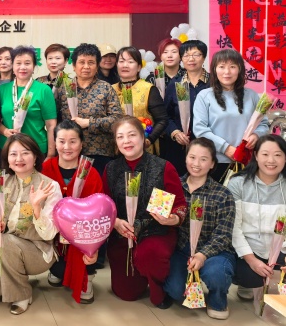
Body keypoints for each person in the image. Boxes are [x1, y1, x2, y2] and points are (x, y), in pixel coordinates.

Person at [104, 116, 187, 308]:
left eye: (132, 135)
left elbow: (180, 206)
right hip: (124, 232)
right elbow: (105, 205)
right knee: (126, 293)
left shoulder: (163, 167)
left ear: (143, 137)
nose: (126, 141)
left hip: (155, 230)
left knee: (150, 256)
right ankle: (143, 272)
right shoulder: (111, 169)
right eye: (120, 137)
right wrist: (115, 222)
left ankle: (159, 287)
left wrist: (173, 219)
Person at [0, 133, 61, 315]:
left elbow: (50, 233)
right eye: (13, 154)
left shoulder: (50, 186)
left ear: (36, 156)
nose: (19, 159)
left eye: (25, 153)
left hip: (37, 251)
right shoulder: (0, 182)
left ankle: (22, 294)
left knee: (7, 242)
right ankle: (17, 277)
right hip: (4, 247)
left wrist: (37, 208)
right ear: (7, 158)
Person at [163, 138, 236, 320]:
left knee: (216, 273)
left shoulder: (223, 194)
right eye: (192, 157)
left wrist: (203, 255)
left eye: (203, 159)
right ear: (185, 158)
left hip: (214, 251)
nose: (196, 164)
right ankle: (190, 288)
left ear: (212, 164)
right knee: (175, 289)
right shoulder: (173, 187)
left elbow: (223, 234)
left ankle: (217, 298)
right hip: (182, 249)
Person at [42, 120, 103, 304]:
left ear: (81, 144)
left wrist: (93, 247)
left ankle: (86, 279)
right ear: (54, 143)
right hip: (53, 235)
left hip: (81, 238)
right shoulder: (46, 169)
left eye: (73, 141)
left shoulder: (91, 173)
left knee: (86, 256)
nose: (67, 147)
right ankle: (58, 269)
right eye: (61, 141)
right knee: (58, 269)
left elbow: (100, 214)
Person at [227, 134, 286, 308]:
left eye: (278, 155)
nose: (271, 160)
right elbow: (234, 228)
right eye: (265, 154)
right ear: (256, 156)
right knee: (250, 277)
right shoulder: (238, 183)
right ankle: (247, 283)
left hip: (281, 249)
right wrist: (252, 260)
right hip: (249, 249)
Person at [193, 49, 269, 183]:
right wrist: (226, 148)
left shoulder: (251, 95)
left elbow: (263, 123)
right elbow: (200, 129)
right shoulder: (204, 96)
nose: (227, 72)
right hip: (215, 161)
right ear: (214, 69)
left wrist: (256, 135)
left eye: (232, 67)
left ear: (239, 70)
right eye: (222, 67)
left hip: (247, 161)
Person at [55, 43, 122, 176]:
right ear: (74, 66)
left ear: (97, 66)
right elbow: (54, 119)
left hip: (100, 153)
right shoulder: (63, 89)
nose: (86, 66)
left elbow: (117, 120)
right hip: (68, 153)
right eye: (82, 62)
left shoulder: (106, 88)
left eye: (91, 62)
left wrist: (89, 123)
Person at [0, 45, 57, 158]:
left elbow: (51, 125)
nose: (23, 67)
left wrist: (50, 154)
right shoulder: (3, 90)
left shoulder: (43, 90)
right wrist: (4, 131)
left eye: (27, 63)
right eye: (18, 63)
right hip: (8, 148)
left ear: (34, 67)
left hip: (36, 148)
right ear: (12, 66)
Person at [163, 40, 210, 175]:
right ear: (181, 59)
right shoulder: (176, 84)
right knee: (177, 182)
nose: (191, 59)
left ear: (204, 57)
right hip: (179, 147)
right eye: (186, 55)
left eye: (196, 54)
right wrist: (175, 132)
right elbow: (165, 115)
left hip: (207, 146)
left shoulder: (213, 83)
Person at [112, 46, 168, 155]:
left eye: (130, 62)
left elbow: (162, 120)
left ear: (138, 67)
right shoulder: (110, 89)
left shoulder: (148, 89)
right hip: (115, 150)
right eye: (121, 61)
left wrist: (149, 139)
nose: (125, 65)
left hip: (143, 149)